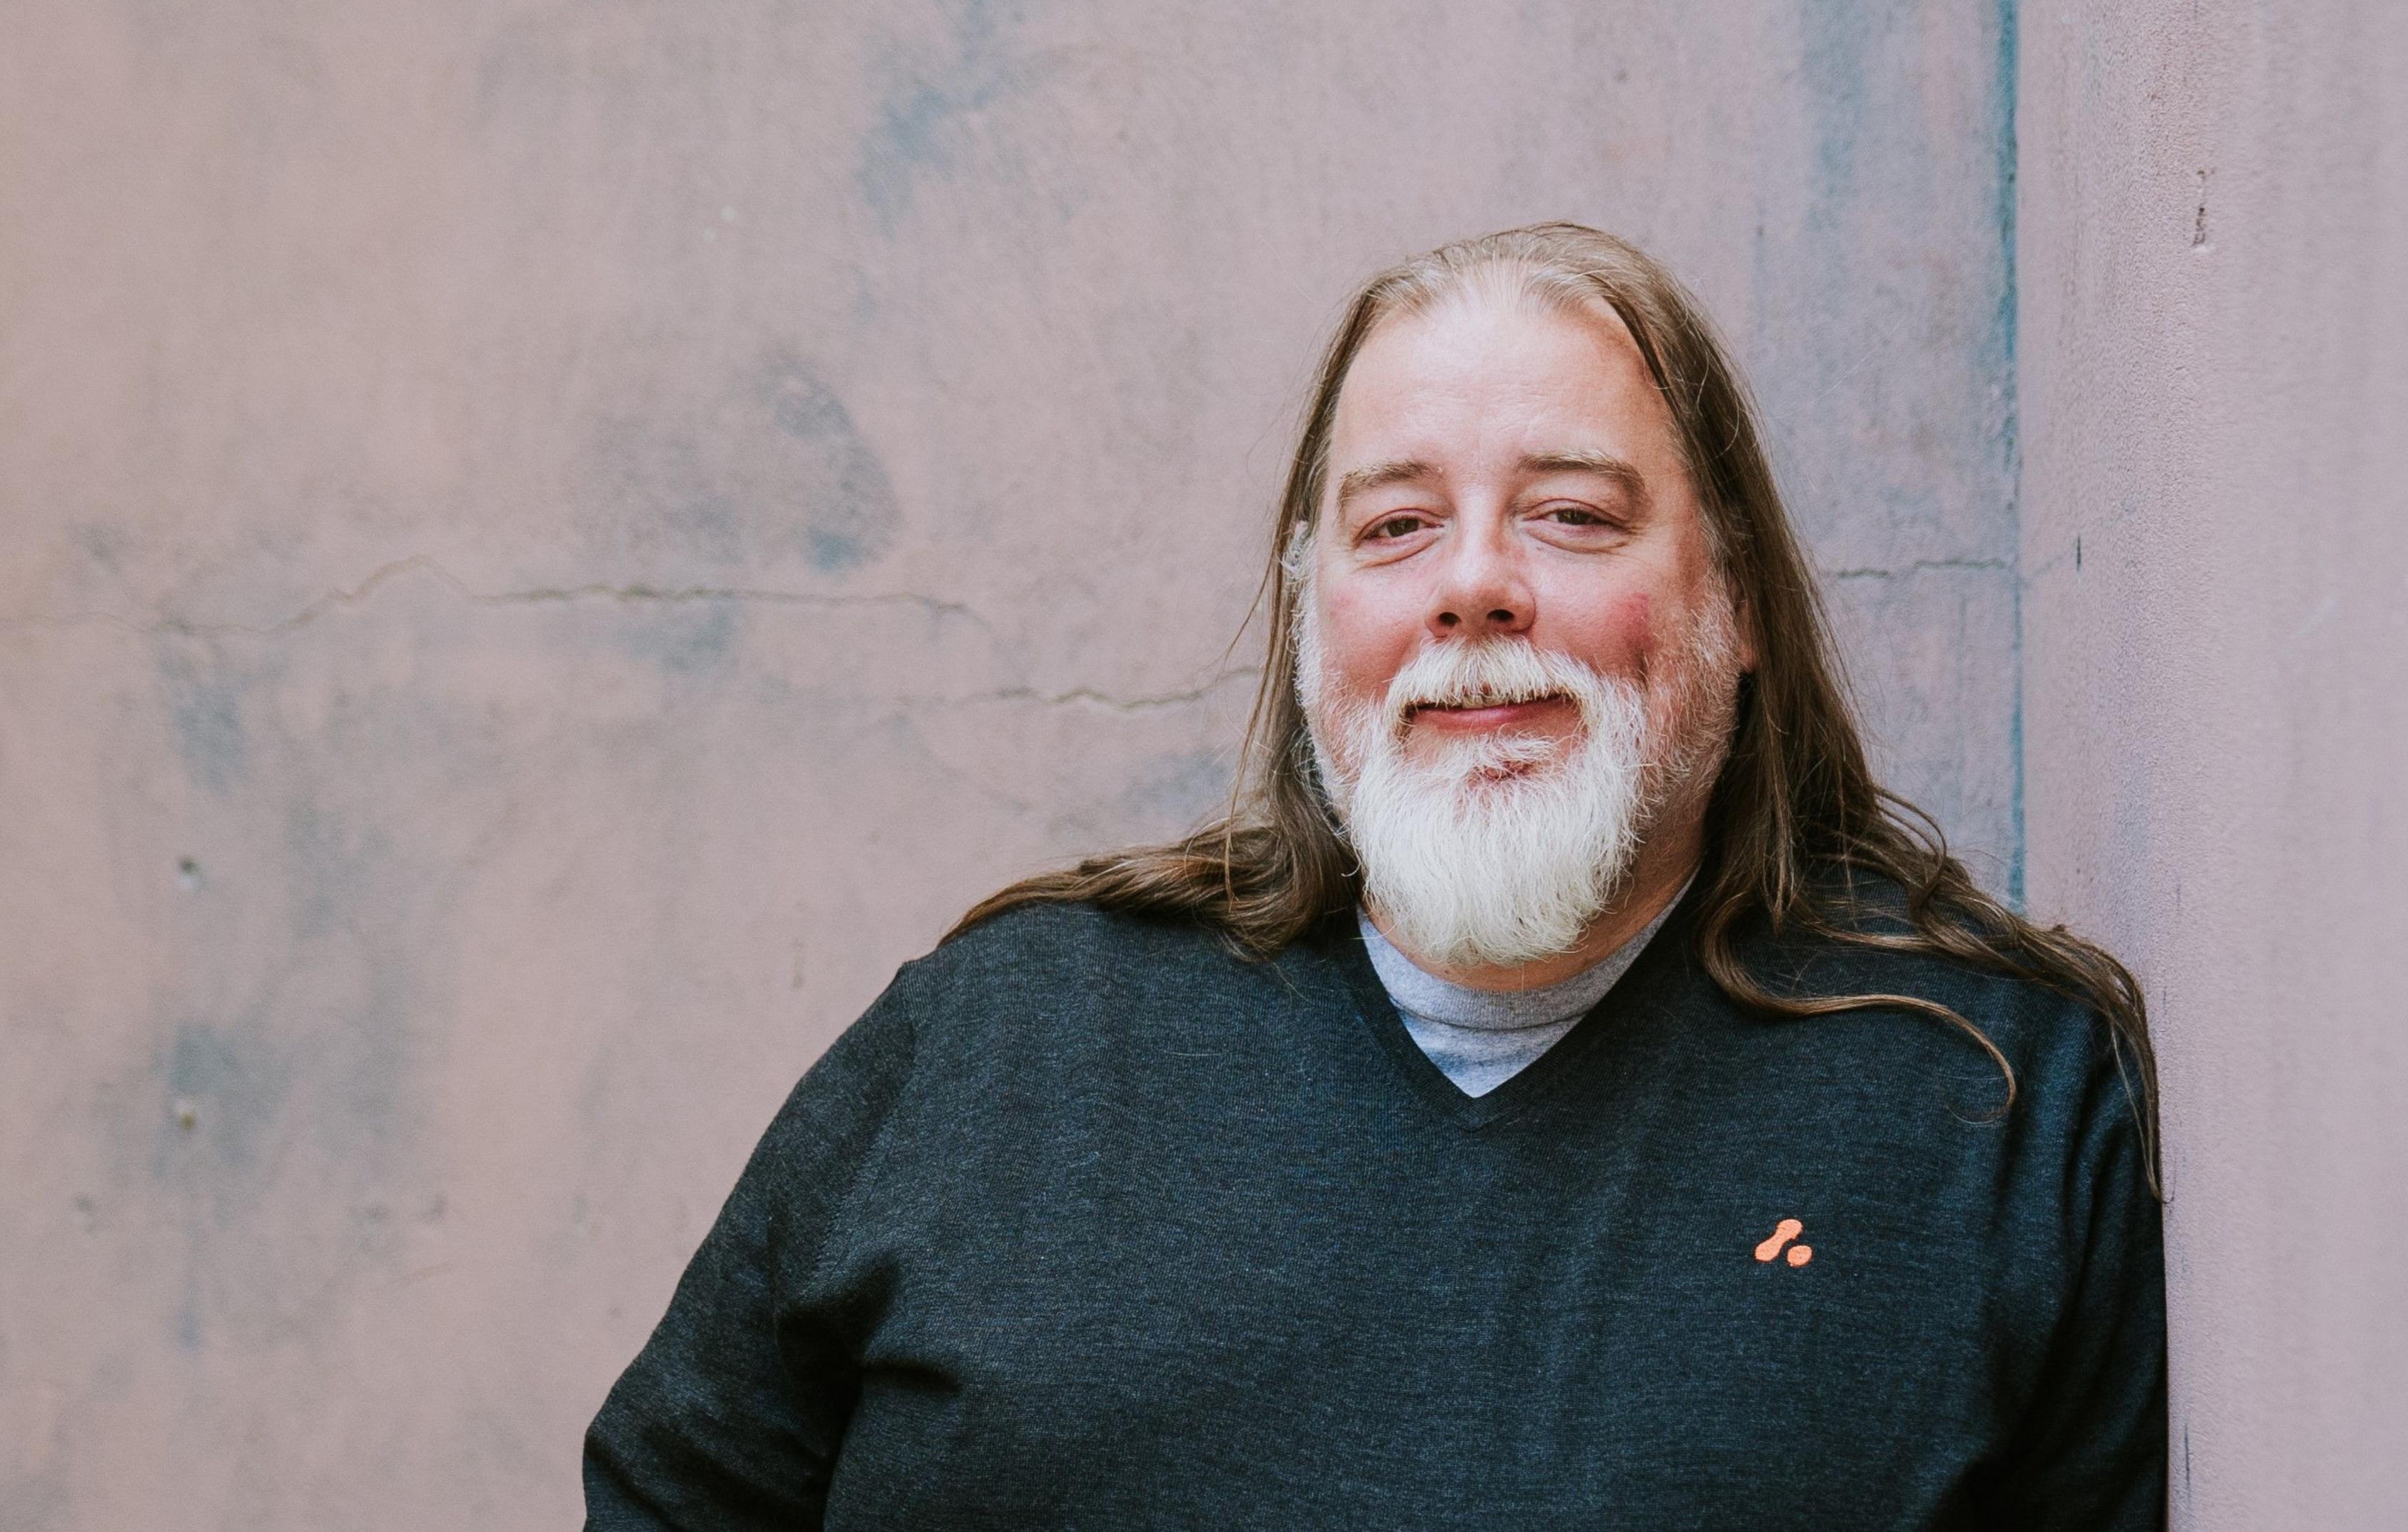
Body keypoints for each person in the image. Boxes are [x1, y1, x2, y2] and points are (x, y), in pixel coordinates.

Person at [581, 224, 2165, 1528]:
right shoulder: (993, 1046)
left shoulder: (1990, 1113)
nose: (1475, 584)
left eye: (1569, 514)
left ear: (1735, 602)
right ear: (1310, 617)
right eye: (1397, 527)